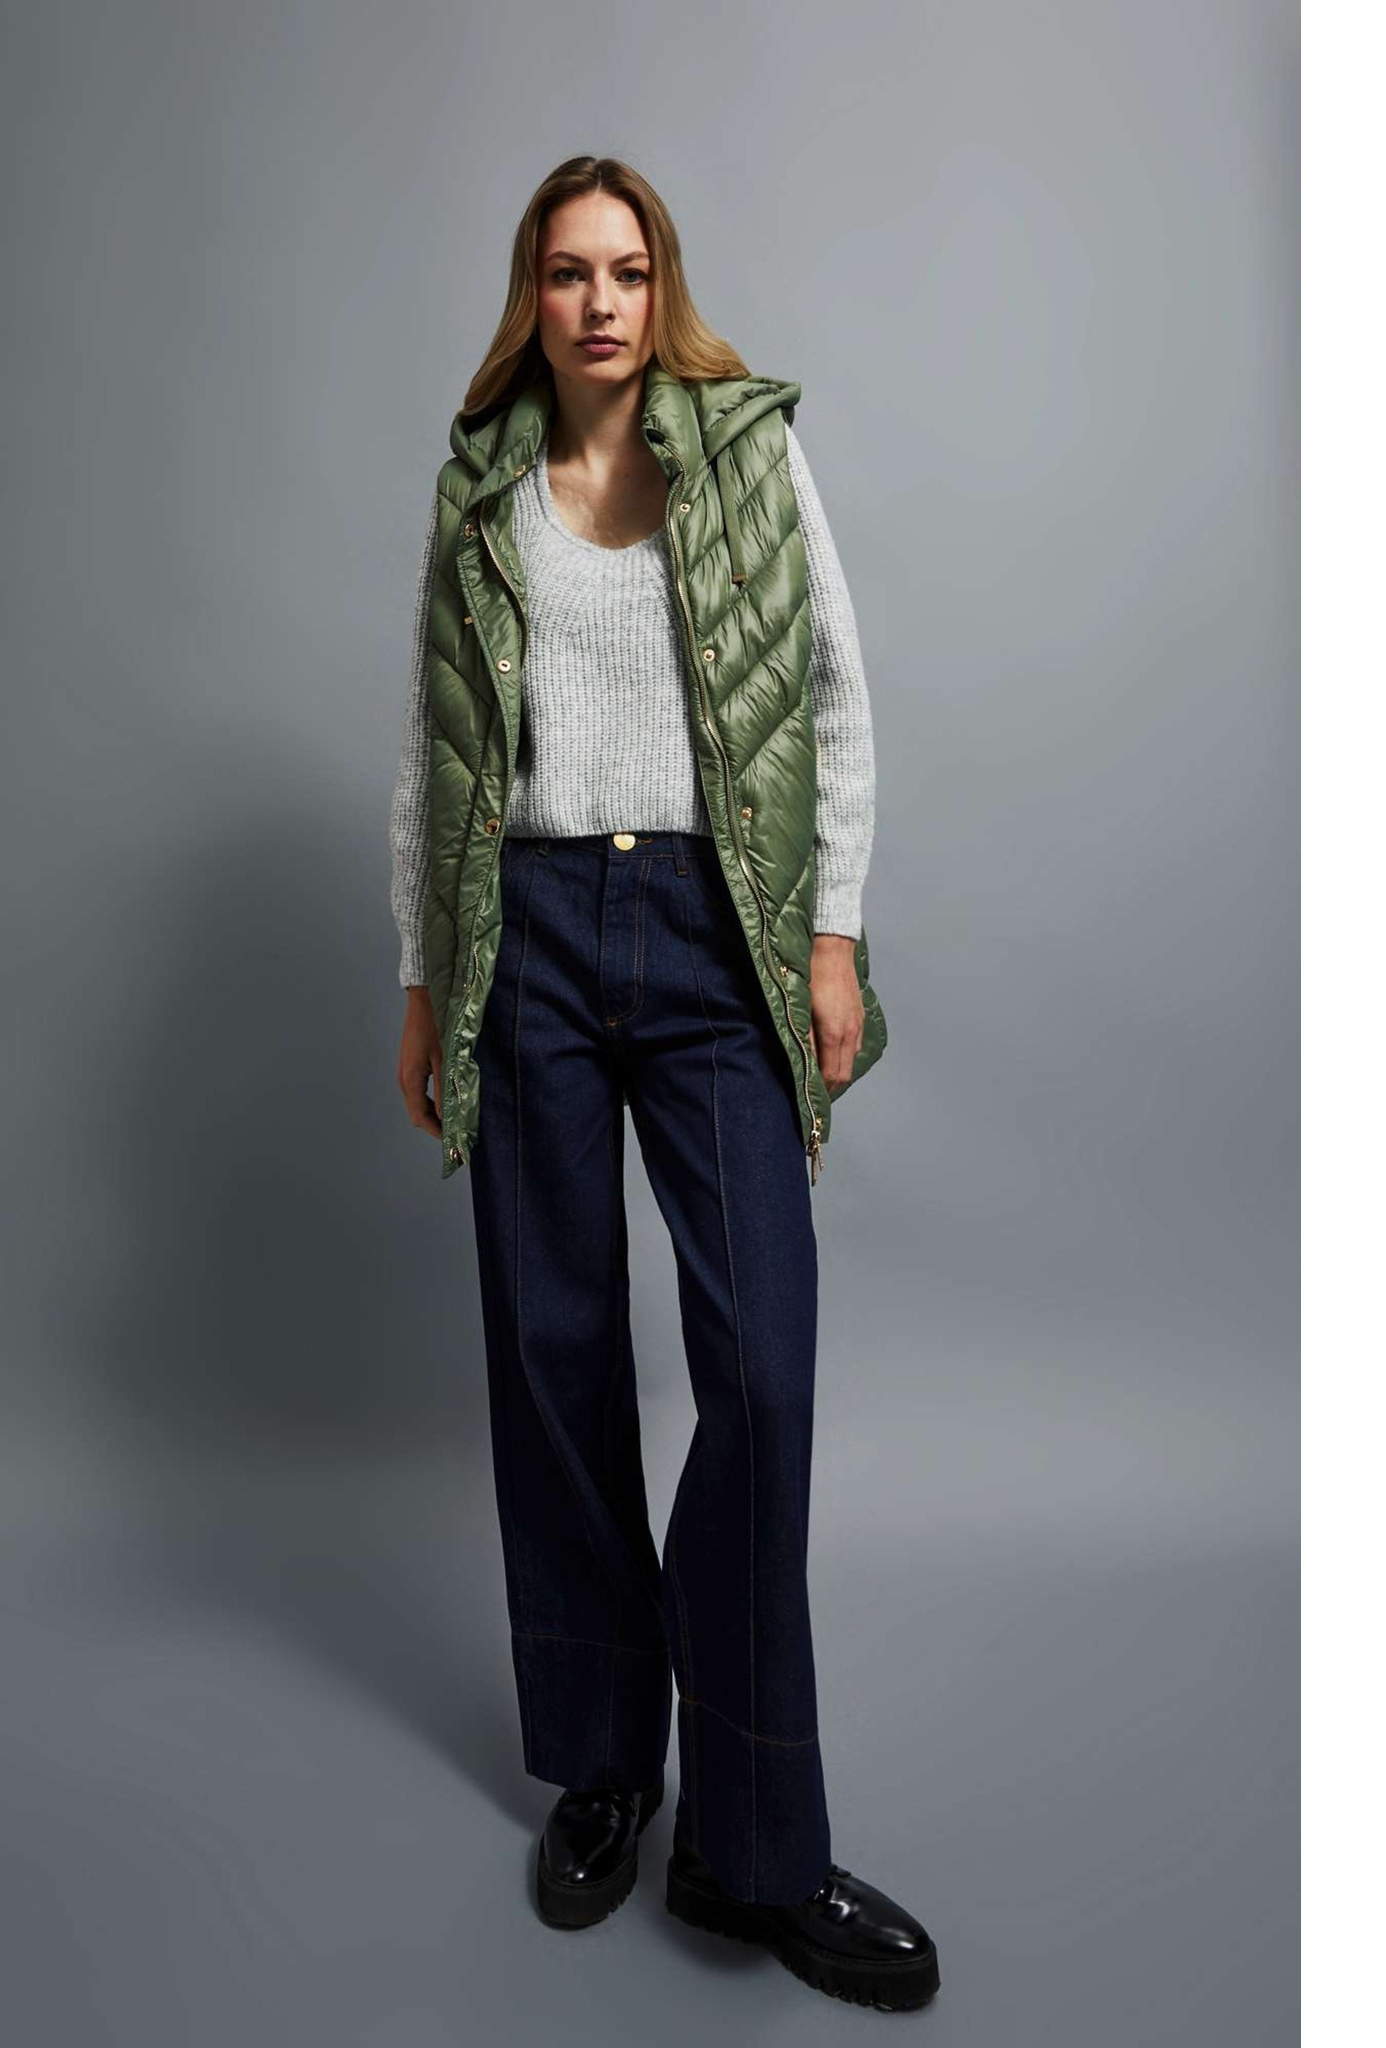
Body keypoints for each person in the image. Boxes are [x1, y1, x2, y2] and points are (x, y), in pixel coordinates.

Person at [388, 155, 939, 2013]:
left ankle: (754, 1842)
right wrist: (422, 981)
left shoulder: (748, 456)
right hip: (529, 933)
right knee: (551, 1356)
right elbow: (429, 747)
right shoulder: (479, 490)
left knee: (760, 1370)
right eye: (569, 272)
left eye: (627, 270)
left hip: (716, 935)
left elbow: (836, 695)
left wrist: (830, 937)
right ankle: (606, 1767)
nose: (602, 302)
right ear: (533, 297)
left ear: (662, 285)